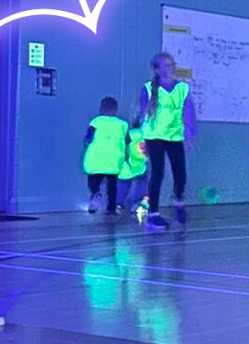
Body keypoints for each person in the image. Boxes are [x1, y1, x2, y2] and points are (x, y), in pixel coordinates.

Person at [140, 52, 196, 231]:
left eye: (172, 64)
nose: (171, 67)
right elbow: (143, 114)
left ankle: (178, 200)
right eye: (167, 65)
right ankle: (153, 214)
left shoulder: (182, 89)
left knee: (180, 173)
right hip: (154, 136)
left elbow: (188, 112)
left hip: (174, 136)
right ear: (158, 69)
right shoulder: (149, 88)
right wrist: (142, 140)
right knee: (157, 173)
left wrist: (189, 134)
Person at [82, 96, 128, 215]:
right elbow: (128, 141)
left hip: (96, 159)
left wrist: (86, 143)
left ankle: (95, 193)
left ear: (101, 108)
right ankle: (111, 208)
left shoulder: (96, 122)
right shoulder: (123, 124)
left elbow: (88, 138)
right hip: (114, 160)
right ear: (115, 109)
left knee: (93, 180)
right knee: (112, 186)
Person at [116, 115, 148, 214]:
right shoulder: (144, 134)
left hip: (127, 167)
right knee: (142, 183)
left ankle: (117, 204)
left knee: (124, 185)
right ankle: (137, 204)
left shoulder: (133, 133)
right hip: (138, 166)